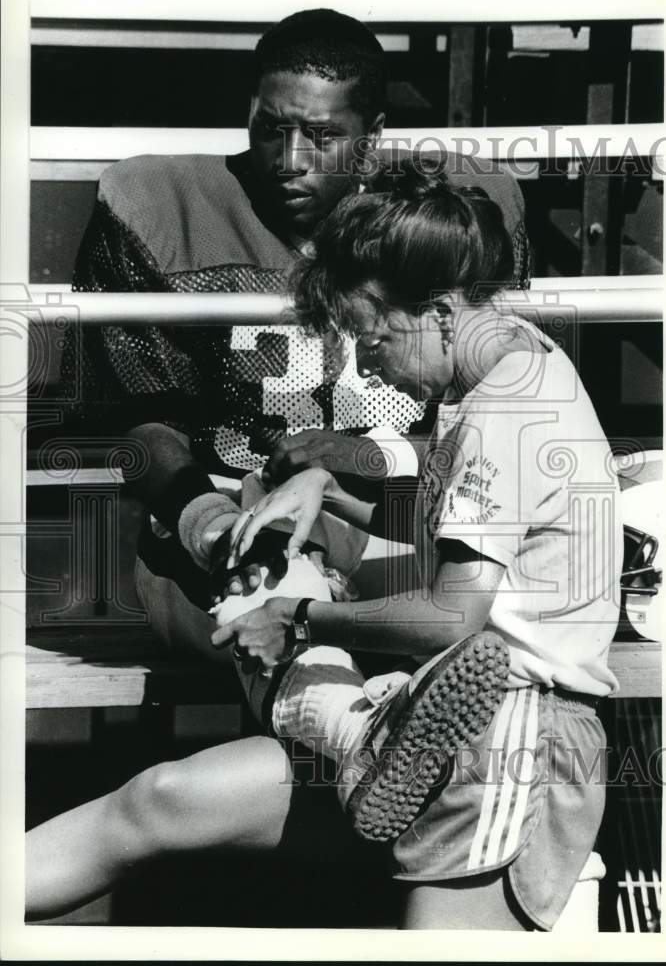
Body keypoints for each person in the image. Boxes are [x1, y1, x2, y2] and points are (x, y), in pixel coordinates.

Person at [28, 164, 620, 929]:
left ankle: (360, 740)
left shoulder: (504, 407)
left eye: (370, 339)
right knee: (159, 801)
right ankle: (361, 746)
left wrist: (299, 619)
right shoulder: (498, 366)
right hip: (422, 728)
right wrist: (327, 487)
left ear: (438, 311)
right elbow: (470, 535)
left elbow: (451, 618)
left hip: (510, 742)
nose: (364, 366)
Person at [59, 8, 530, 660]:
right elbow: (137, 423)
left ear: (371, 139)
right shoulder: (161, 208)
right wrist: (213, 527)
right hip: (230, 510)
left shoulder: (443, 220)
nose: (288, 159)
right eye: (270, 129)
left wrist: (369, 459)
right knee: (290, 628)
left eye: (320, 134)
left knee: (489, 623)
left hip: (401, 517)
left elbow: (497, 419)